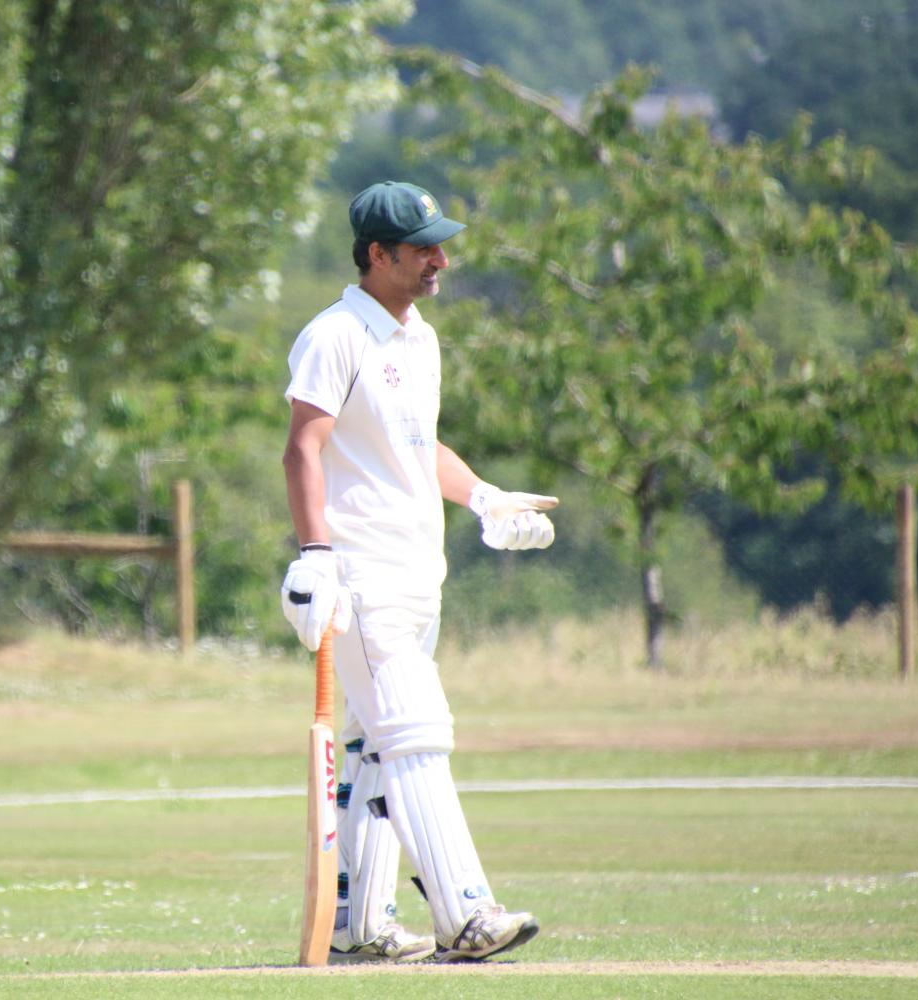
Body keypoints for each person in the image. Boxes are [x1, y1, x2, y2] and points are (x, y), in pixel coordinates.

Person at [281, 180, 557, 963]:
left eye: (440, 243)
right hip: (360, 574)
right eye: (423, 247)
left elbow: (416, 445)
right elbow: (303, 445)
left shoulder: (419, 337)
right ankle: (466, 914)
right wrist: (316, 558)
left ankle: (359, 928)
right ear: (378, 255)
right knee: (417, 733)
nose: (441, 258)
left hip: (417, 573)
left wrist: (483, 498)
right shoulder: (335, 335)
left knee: (375, 752)